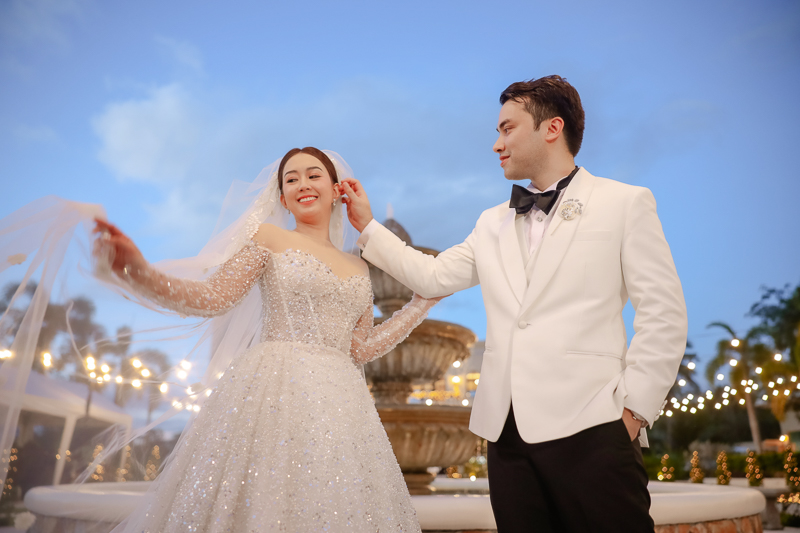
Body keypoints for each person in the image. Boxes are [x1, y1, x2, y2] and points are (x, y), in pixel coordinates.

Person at [2, 148, 437, 532]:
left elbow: (360, 349)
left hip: (343, 405)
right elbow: (213, 297)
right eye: (291, 179)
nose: (302, 184)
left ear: (337, 188)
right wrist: (141, 271)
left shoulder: (359, 266)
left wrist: (421, 304)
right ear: (282, 197)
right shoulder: (269, 238)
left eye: (313, 174)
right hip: (275, 391)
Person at [341, 76, 688, 532]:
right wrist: (367, 226)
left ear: (552, 128)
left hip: (595, 426)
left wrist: (633, 412)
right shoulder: (491, 223)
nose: (496, 144)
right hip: (506, 437)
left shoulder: (624, 203)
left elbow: (664, 313)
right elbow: (432, 276)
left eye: (507, 129)